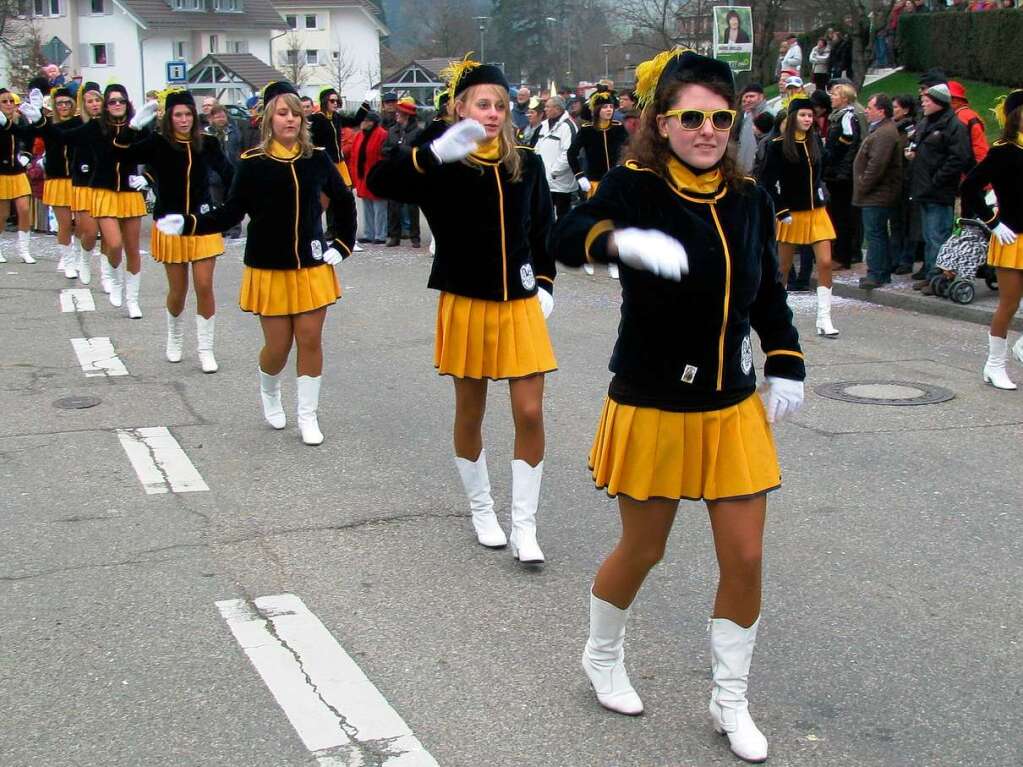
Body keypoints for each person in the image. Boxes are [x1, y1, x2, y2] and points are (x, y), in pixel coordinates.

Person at [550, 47, 804, 764]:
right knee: (644, 547)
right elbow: (565, 235)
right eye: (690, 116)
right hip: (654, 397)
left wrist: (783, 360)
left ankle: (729, 699)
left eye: (720, 117)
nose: (706, 129)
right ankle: (601, 654)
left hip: (729, 401)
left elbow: (766, 296)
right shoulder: (634, 184)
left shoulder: (748, 197)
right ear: (661, 123)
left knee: (746, 555)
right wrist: (617, 239)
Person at [368, 57, 556, 563]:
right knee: (470, 411)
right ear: (460, 107)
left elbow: (542, 230)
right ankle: (481, 509)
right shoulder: (442, 162)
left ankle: (525, 526)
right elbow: (378, 181)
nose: (492, 113)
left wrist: (544, 281)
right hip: (467, 301)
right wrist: (431, 153)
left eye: (499, 105)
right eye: (482, 104)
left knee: (530, 411)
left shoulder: (529, 163)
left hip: (519, 303)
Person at [156, 81, 356, 445]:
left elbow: (343, 201)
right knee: (277, 348)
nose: (291, 119)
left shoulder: (318, 159)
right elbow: (231, 211)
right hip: (269, 268)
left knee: (310, 339)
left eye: (296, 112)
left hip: (312, 266)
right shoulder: (253, 164)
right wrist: (189, 223)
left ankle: (308, 415)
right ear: (268, 118)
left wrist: (341, 244)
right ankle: (269, 390)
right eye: (282, 112)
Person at [113, 90, 234, 372]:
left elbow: (231, 175)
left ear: (195, 116)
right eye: (177, 115)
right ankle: (175, 336)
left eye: (188, 114)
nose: (183, 120)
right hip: (169, 224)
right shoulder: (157, 143)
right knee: (178, 291)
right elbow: (118, 154)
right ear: (169, 117)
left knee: (204, 286)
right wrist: (132, 128)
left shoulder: (208, 143)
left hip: (202, 223)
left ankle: (206, 348)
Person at [38, 84, 148, 316]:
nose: (117, 105)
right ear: (106, 106)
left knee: (133, 250)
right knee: (114, 243)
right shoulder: (96, 127)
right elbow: (62, 137)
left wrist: (147, 178)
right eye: (112, 101)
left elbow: (159, 156)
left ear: (127, 103)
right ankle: (113, 279)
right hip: (103, 191)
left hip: (130, 192)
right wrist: (40, 121)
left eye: (121, 100)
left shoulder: (139, 126)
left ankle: (133, 300)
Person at [761, 97, 840, 336]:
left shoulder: (815, 141)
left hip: (817, 211)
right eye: (803, 115)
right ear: (793, 117)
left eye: (810, 115)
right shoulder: (776, 145)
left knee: (825, 262)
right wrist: (780, 208)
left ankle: (824, 318)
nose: (807, 119)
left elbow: (826, 164)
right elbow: (766, 181)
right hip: (791, 214)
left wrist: (842, 143)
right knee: (783, 267)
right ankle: (778, 315)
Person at [961, 90, 1023, 389]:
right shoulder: (1003, 150)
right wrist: (993, 223)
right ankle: (994, 365)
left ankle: (1021, 346)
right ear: (1015, 116)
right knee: (1009, 304)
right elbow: (971, 186)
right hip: (1012, 237)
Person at [905, 83, 971, 287]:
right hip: (923, 189)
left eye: (928, 100)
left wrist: (936, 180)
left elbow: (958, 158)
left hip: (939, 191)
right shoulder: (926, 123)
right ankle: (931, 274)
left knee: (938, 236)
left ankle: (939, 278)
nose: (923, 103)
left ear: (939, 103)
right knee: (928, 235)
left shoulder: (954, 126)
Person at [568, 90, 628, 278]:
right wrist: (580, 176)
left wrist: (624, 167)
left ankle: (613, 260)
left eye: (611, 106)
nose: (609, 110)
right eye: (605, 107)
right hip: (593, 181)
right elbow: (572, 154)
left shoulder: (619, 128)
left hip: (615, 181)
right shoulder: (586, 130)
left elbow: (630, 149)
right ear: (597, 110)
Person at [853, 94, 904, 289]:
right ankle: (880, 272)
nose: (866, 110)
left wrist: (863, 184)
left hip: (877, 194)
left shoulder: (885, 133)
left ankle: (876, 273)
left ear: (881, 111)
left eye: (870, 107)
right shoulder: (882, 130)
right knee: (878, 233)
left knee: (875, 234)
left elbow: (877, 165)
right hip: (877, 193)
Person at [308, 87, 370, 239]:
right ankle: (325, 228)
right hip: (325, 163)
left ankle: (340, 228)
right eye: (332, 101)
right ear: (324, 101)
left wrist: (366, 103)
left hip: (339, 163)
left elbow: (355, 121)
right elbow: (309, 140)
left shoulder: (336, 117)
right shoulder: (316, 119)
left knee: (342, 196)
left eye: (337, 100)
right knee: (325, 197)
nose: (335, 103)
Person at [34, 85, 79, 275]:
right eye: (59, 103)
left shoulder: (80, 123)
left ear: (73, 104)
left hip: (79, 179)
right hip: (57, 179)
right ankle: (68, 259)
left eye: (66, 102)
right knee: (65, 223)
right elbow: (31, 134)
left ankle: (75, 253)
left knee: (82, 225)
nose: (63, 106)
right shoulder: (48, 125)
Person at [823, 83, 862, 271]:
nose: (831, 97)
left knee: (841, 216)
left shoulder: (847, 116)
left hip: (840, 174)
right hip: (835, 171)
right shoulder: (836, 117)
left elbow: (849, 140)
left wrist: (832, 153)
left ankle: (842, 255)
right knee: (835, 214)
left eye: (836, 94)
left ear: (845, 98)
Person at [0, 88, 38, 264]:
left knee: (24, 209)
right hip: (1, 173)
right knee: (3, 214)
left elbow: (29, 142)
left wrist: (27, 156)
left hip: (18, 171)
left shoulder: (21, 121)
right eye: (4, 101)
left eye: (11, 101)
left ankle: (24, 250)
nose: (8, 104)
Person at [383, 98, 423, 247]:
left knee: (413, 207)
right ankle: (394, 236)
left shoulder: (418, 132)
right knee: (394, 207)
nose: (396, 115)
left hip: (411, 173)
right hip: (395, 173)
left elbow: (421, 151)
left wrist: (405, 151)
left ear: (407, 115)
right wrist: (391, 151)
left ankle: (415, 237)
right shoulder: (392, 131)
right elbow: (384, 149)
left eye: (399, 113)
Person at [205, 104, 245, 238]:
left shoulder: (234, 131)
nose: (221, 119)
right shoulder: (208, 133)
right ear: (211, 118)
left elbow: (240, 147)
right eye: (217, 116)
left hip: (233, 172)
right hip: (214, 175)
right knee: (216, 203)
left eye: (223, 116)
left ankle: (234, 229)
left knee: (233, 202)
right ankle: (220, 228)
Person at [890, 95, 919, 275]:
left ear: (906, 110)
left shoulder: (910, 130)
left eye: (896, 107)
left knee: (906, 222)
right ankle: (895, 258)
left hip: (906, 181)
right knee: (895, 223)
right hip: (895, 181)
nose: (893, 111)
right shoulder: (893, 128)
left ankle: (906, 259)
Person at [536, 95, 578, 217]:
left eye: (548, 107)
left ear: (558, 109)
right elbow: (538, 147)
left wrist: (554, 171)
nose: (545, 109)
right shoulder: (543, 125)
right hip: (545, 179)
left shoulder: (568, 126)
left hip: (560, 181)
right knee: (545, 213)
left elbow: (569, 152)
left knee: (562, 214)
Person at [350, 112, 389, 245]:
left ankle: (380, 234)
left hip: (377, 175)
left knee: (379, 207)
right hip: (363, 176)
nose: (364, 123)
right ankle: (368, 233)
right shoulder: (359, 135)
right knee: (367, 206)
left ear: (373, 122)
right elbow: (355, 156)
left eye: (367, 121)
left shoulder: (382, 134)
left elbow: (383, 156)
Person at [948, 81, 989, 169]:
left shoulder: (961, 117)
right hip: (979, 165)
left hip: (972, 169)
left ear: (953, 101)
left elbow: (964, 151)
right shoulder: (969, 114)